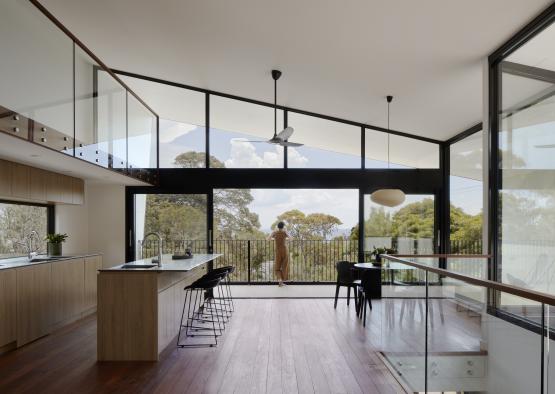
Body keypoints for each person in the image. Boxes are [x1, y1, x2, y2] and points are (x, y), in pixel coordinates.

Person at [269, 221, 290, 286]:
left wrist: (273, 234)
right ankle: (282, 281)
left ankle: (280, 280)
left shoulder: (275, 233)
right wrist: (286, 232)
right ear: (283, 227)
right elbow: (291, 239)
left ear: (277, 227)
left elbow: (268, 239)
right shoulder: (284, 233)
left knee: (277, 267)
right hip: (285, 251)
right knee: (284, 266)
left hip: (278, 251)